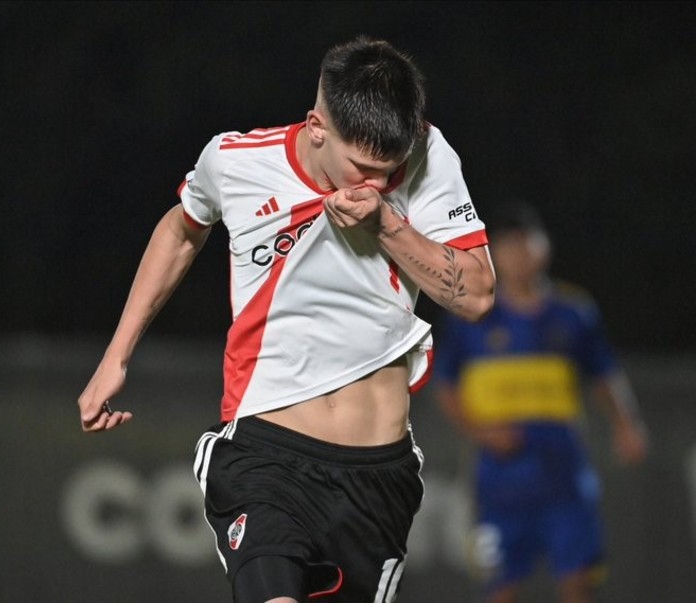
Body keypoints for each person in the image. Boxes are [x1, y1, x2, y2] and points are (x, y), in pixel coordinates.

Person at [78, 36, 495, 602]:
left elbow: (474, 296)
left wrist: (387, 224)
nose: (374, 185)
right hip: (266, 456)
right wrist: (116, 356)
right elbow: (180, 231)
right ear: (317, 126)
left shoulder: (426, 154)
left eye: (386, 171)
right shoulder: (236, 163)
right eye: (362, 168)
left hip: (378, 477)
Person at [433, 201, 648, 603]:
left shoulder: (573, 312)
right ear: (494, 251)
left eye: (527, 243)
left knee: (578, 581)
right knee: (500, 587)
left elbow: (604, 375)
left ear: (544, 247)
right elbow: (445, 386)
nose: (520, 254)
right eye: (510, 245)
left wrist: (625, 424)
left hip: (562, 475)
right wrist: (482, 432)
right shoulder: (473, 316)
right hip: (500, 481)